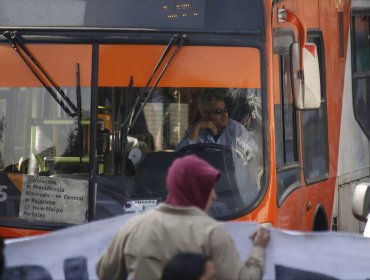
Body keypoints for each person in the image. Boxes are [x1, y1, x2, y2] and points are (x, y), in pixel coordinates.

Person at [96, 155, 270, 280]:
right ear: (197, 190)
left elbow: (105, 272)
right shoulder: (212, 233)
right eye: (210, 188)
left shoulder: (132, 227)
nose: (215, 196)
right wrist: (258, 250)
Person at [176, 92, 258, 158]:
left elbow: (252, 155)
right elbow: (180, 156)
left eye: (225, 110)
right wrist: (197, 128)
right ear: (205, 115)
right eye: (218, 112)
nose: (225, 115)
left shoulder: (236, 129)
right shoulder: (195, 129)